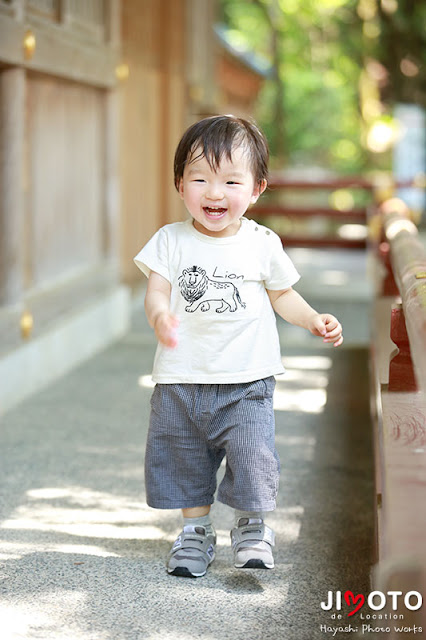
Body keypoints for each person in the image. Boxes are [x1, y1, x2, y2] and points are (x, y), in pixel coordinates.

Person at [134, 115, 343, 578]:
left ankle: (252, 526)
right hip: (181, 379)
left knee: (253, 454)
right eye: (200, 178)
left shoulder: (261, 242)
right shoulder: (169, 240)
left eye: (231, 181)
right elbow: (156, 291)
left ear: (256, 189)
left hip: (247, 380)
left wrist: (313, 319)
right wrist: (160, 315)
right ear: (179, 184)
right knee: (182, 456)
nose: (214, 193)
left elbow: (282, 294)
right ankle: (194, 532)